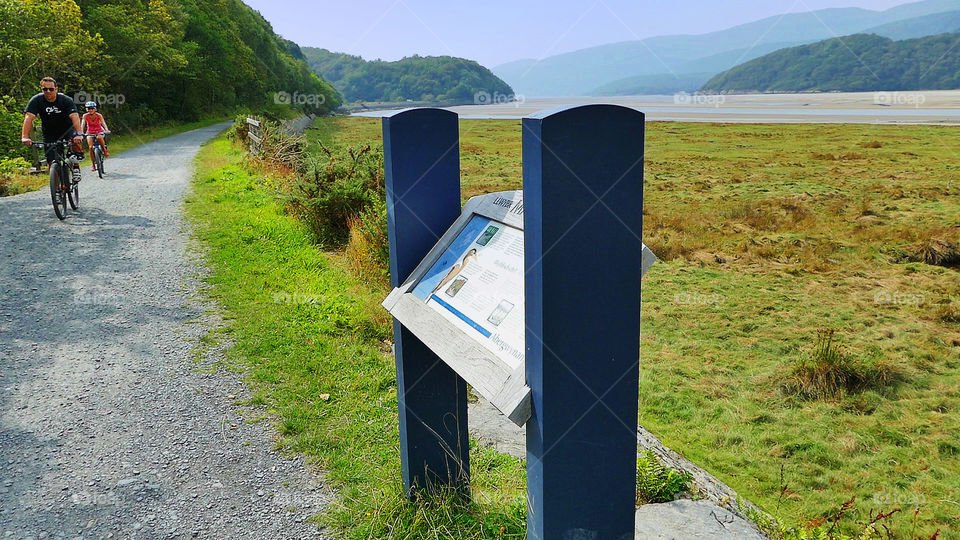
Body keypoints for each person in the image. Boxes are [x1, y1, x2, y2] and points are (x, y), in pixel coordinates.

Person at [20, 77, 84, 186]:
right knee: (52, 163)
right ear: (42, 90)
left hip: (67, 129)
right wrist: (25, 136)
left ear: (56, 89)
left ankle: (76, 166)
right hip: (49, 132)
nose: (48, 92)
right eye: (45, 89)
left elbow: (75, 117)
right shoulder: (37, 100)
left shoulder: (65, 100)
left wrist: (79, 133)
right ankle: (57, 191)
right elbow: (28, 118)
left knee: (75, 140)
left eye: (51, 89)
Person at [80, 101, 110, 171]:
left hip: (99, 130)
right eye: (88, 108)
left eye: (92, 108)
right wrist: (81, 132)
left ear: (95, 109)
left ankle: (104, 150)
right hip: (90, 132)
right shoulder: (85, 116)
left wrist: (106, 129)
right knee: (90, 147)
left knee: (99, 137)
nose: (90, 110)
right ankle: (93, 164)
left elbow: (103, 123)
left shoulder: (99, 115)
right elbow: (83, 124)